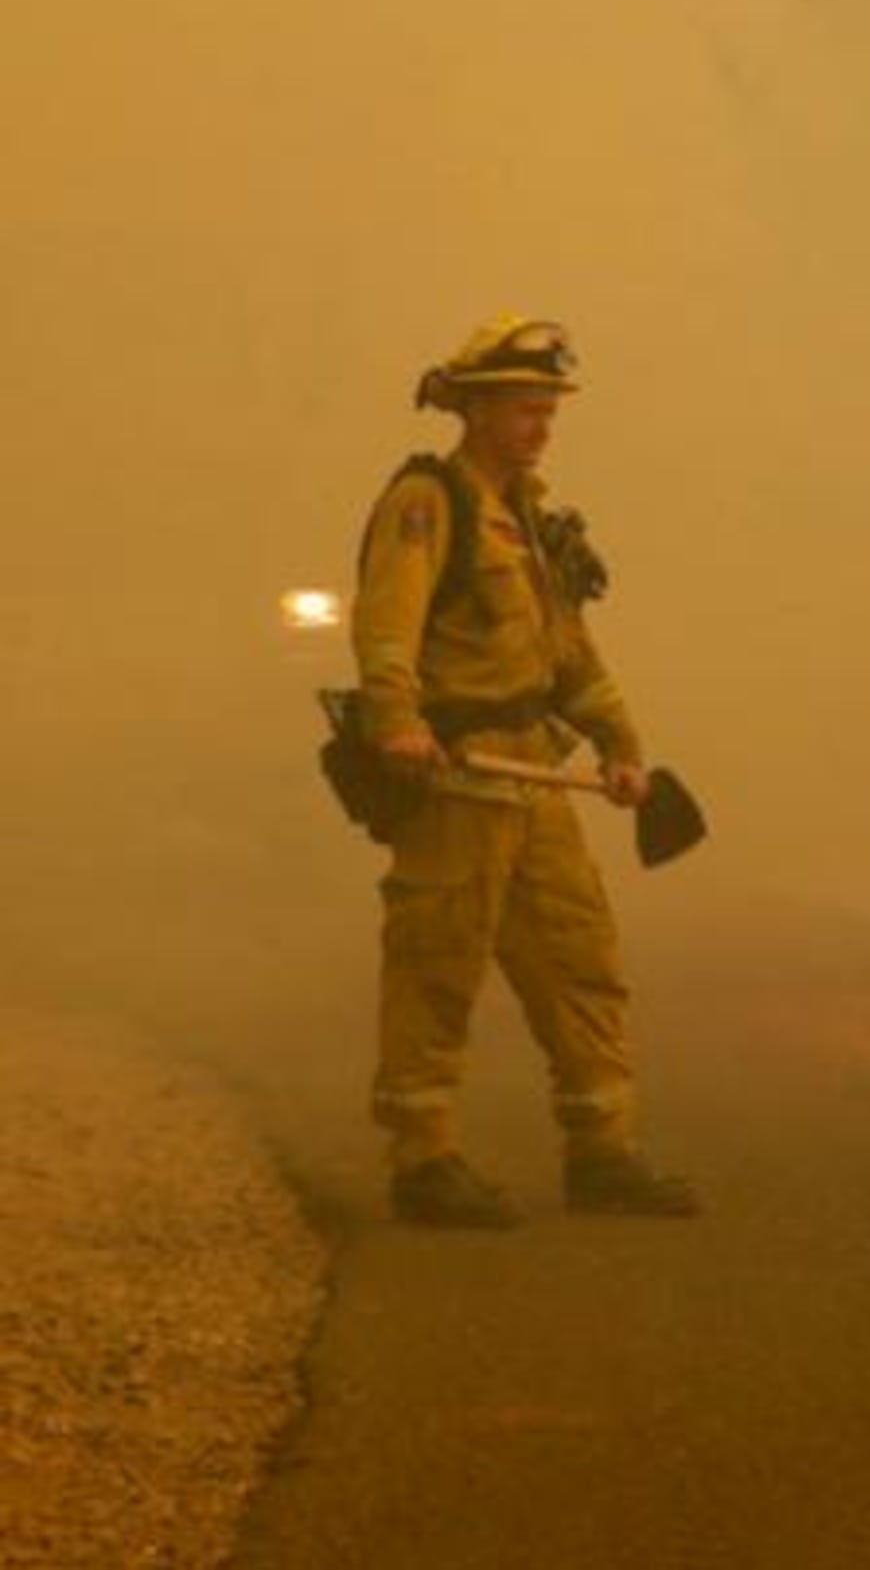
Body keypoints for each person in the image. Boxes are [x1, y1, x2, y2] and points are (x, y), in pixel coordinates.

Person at [348, 314, 698, 1227]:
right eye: (521, 407)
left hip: (534, 778)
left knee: (582, 961)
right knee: (438, 964)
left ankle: (603, 1151)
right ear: (472, 409)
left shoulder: (535, 524)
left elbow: (569, 654)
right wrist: (396, 722)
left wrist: (623, 745)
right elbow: (387, 625)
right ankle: (423, 1161)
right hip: (458, 778)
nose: (540, 425)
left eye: (548, 408)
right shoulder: (430, 503)